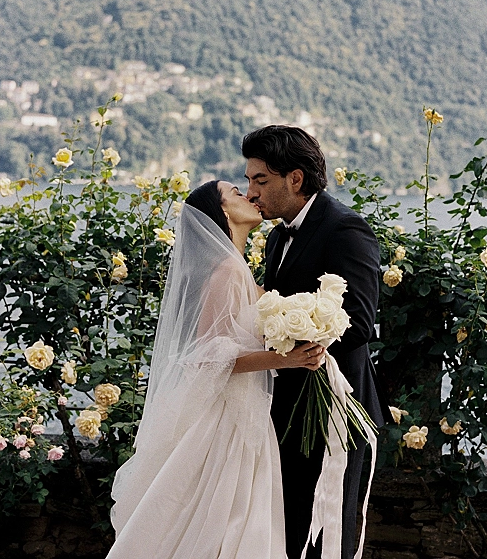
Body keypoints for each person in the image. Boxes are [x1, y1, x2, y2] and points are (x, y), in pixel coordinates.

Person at [108, 180, 325, 559]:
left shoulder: (236, 267)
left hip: (245, 411)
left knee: (231, 518)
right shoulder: (227, 270)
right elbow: (209, 357)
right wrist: (285, 359)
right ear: (223, 212)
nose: (250, 195)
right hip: (227, 419)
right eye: (237, 192)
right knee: (225, 518)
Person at [243, 126, 389, 559]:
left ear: (296, 179)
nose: (251, 193)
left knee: (328, 535)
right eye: (248, 180)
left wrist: (297, 340)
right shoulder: (275, 237)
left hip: (335, 409)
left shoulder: (346, 229)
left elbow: (359, 322)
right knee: (286, 533)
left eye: (260, 181)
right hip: (285, 408)